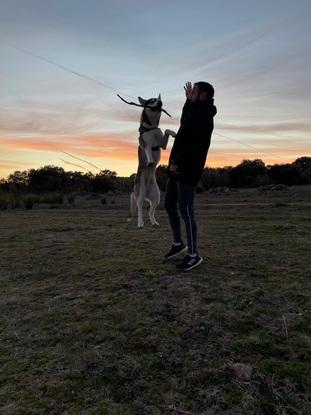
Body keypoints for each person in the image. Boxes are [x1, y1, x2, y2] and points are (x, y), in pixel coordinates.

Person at [164, 81, 217, 271]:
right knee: (169, 204)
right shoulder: (195, 110)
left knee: (185, 210)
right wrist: (188, 101)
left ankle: (194, 255)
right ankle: (178, 244)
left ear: (203, 95)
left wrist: (178, 162)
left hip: (188, 168)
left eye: (194, 91)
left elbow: (190, 142)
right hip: (176, 165)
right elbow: (184, 123)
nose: (191, 93)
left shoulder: (203, 115)